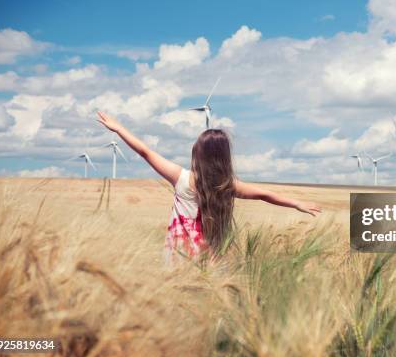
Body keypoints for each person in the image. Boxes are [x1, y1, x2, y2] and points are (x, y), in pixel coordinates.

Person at [96, 111, 322, 263]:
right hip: (210, 260)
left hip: (177, 258)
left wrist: (119, 129)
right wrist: (296, 204)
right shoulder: (227, 185)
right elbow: (265, 194)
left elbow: (145, 151)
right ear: (224, 157)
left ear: (198, 152)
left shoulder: (181, 178)